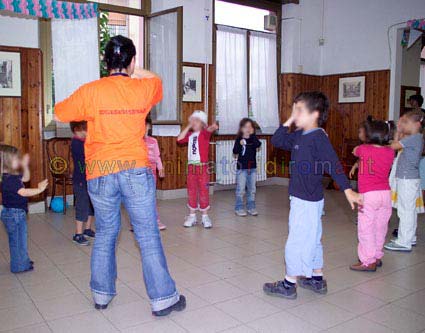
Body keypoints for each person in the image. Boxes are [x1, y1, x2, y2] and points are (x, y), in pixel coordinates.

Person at [54, 35, 185, 316]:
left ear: (105, 62)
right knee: (148, 235)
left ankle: (101, 295)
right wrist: (134, 69)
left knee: (105, 234)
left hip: (100, 171)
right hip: (136, 169)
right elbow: (158, 81)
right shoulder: (143, 88)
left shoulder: (91, 90)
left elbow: (60, 112)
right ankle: (163, 299)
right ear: (132, 62)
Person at [263, 91, 362, 299]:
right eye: (294, 110)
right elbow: (278, 140)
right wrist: (290, 118)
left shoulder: (318, 138)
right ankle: (316, 279)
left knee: (296, 241)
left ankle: (289, 284)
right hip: (307, 199)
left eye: (299, 110)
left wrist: (347, 189)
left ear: (315, 114)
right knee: (313, 238)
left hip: (306, 201)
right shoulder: (300, 135)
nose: (295, 114)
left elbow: (333, 165)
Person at [349, 120, 394, 271]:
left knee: (366, 228)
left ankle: (368, 261)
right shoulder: (390, 151)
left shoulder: (363, 149)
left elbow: (355, 151)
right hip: (386, 194)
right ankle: (376, 255)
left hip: (368, 196)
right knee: (380, 227)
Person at [0, 145, 48, 273]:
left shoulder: (11, 175)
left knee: (21, 239)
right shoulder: (9, 180)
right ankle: (19, 266)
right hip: (13, 214)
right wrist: (39, 189)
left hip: (15, 213)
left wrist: (25, 166)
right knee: (17, 241)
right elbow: (23, 192)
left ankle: (22, 260)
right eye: (16, 158)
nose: (19, 160)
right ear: (7, 162)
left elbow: (26, 178)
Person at [385, 110, 424, 252]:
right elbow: (397, 143)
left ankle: (404, 242)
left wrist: (398, 129)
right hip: (408, 178)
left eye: (406, 123)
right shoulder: (416, 137)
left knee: (405, 210)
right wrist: (400, 130)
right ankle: (409, 237)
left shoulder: (414, 138)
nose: (403, 125)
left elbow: (393, 146)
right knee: (409, 210)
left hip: (407, 179)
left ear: (417, 124)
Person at [177, 111, 218, 229]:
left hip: (202, 167)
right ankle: (192, 215)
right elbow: (179, 139)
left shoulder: (204, 134)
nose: (194, 122)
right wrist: (188, 126)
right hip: (191, 168)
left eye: (197, 120)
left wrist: (212, 127)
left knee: (204, 191)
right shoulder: (189, 135)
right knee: (192, 190)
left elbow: (209, 130)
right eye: (193, 120)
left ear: (202, 123)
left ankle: (205, 216)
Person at [70, 121, 95, 246]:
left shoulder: (85, 141)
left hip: (90, 178)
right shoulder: (76, 143)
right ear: (76, 129)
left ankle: (88, 229)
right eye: (84, 130)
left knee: (91, 205)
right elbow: (87, 157)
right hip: (80, 180)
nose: (87, 132)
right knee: (82, 206)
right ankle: (78, 234)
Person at [233, 118, 261, 216]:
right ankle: (239, 207)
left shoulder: (253, 139)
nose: (248, 129)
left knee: (252, 189)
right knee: (240, 189)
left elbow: (258, 144)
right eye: (245, 127)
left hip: (252, 168)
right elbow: (235, 151)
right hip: (241, 168)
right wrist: (240, 145)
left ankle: (251, 207)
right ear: (241, 129)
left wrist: (252, 135)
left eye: (250, 127)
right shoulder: (239, 139)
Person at [144, 117, 166, 230]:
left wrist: (160, 168)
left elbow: (157, 156)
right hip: (138, 173)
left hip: (151, 172)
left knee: (151, 197)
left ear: (149, 127)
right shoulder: (135, 141)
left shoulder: (153, 141)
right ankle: (139, 222)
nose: (143, 128)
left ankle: (155, 221)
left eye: (145, 126)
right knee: (139, 198)